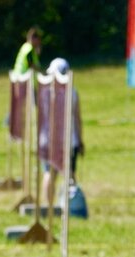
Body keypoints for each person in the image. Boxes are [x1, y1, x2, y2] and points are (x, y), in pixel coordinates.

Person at [40, 58, 84, 205]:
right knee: (68, 175)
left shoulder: (45, 92)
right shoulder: (72, 92)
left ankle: (51, 206)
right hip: (66, 141)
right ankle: (69, 207)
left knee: (51, 173)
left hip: (53, 140)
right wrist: (80, 140)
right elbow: (78, 119)